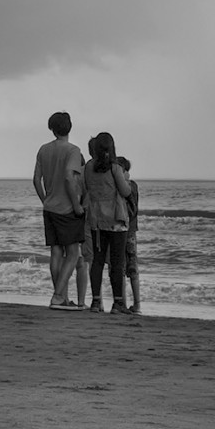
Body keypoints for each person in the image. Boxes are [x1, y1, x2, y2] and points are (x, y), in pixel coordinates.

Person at [33, 112, 87, 311]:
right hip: (66, 209)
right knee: (72, 253)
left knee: (56, 251)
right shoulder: (73, 150)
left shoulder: (44, 149)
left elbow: (36, 180)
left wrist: (44, 199)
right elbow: (68, 177)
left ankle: (61, 296)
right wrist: (76, 205)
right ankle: (58, 296)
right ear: (69, 127)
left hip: (50, 208)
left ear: (52, 128)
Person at [82, 131, 132, 314]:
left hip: (96, 219)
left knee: (97, 261)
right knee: (117, 262)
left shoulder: (88, 167)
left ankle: (96, 301)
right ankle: (118, 303)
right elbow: (125, 191)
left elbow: (86, 186)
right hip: (116, 221)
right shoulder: (115, 168)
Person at [117, 156, 141, 314]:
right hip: (129, 231)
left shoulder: (128, 186)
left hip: (125, 230)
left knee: (126, 267)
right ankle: (132, 304)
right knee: (128, 268)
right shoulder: (132, 185)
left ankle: (132, 304)